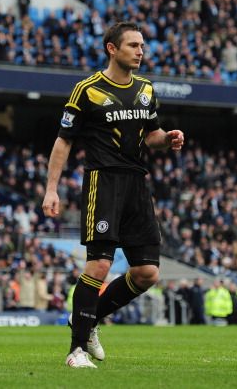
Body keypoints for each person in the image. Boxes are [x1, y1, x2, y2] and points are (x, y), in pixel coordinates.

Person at [42, 21, 184, 368]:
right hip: (103, 182)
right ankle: (75, 351)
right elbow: (63, 141)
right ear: (112, 48)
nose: (140, 51)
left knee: (147, 273)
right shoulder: (87, 89)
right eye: (133, 45)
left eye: (142, 45)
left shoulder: (147, 89)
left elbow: (151, 134)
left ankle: (86, 319)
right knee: (100, 264)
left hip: (137, 184)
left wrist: (167, 138)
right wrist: (51, 189)